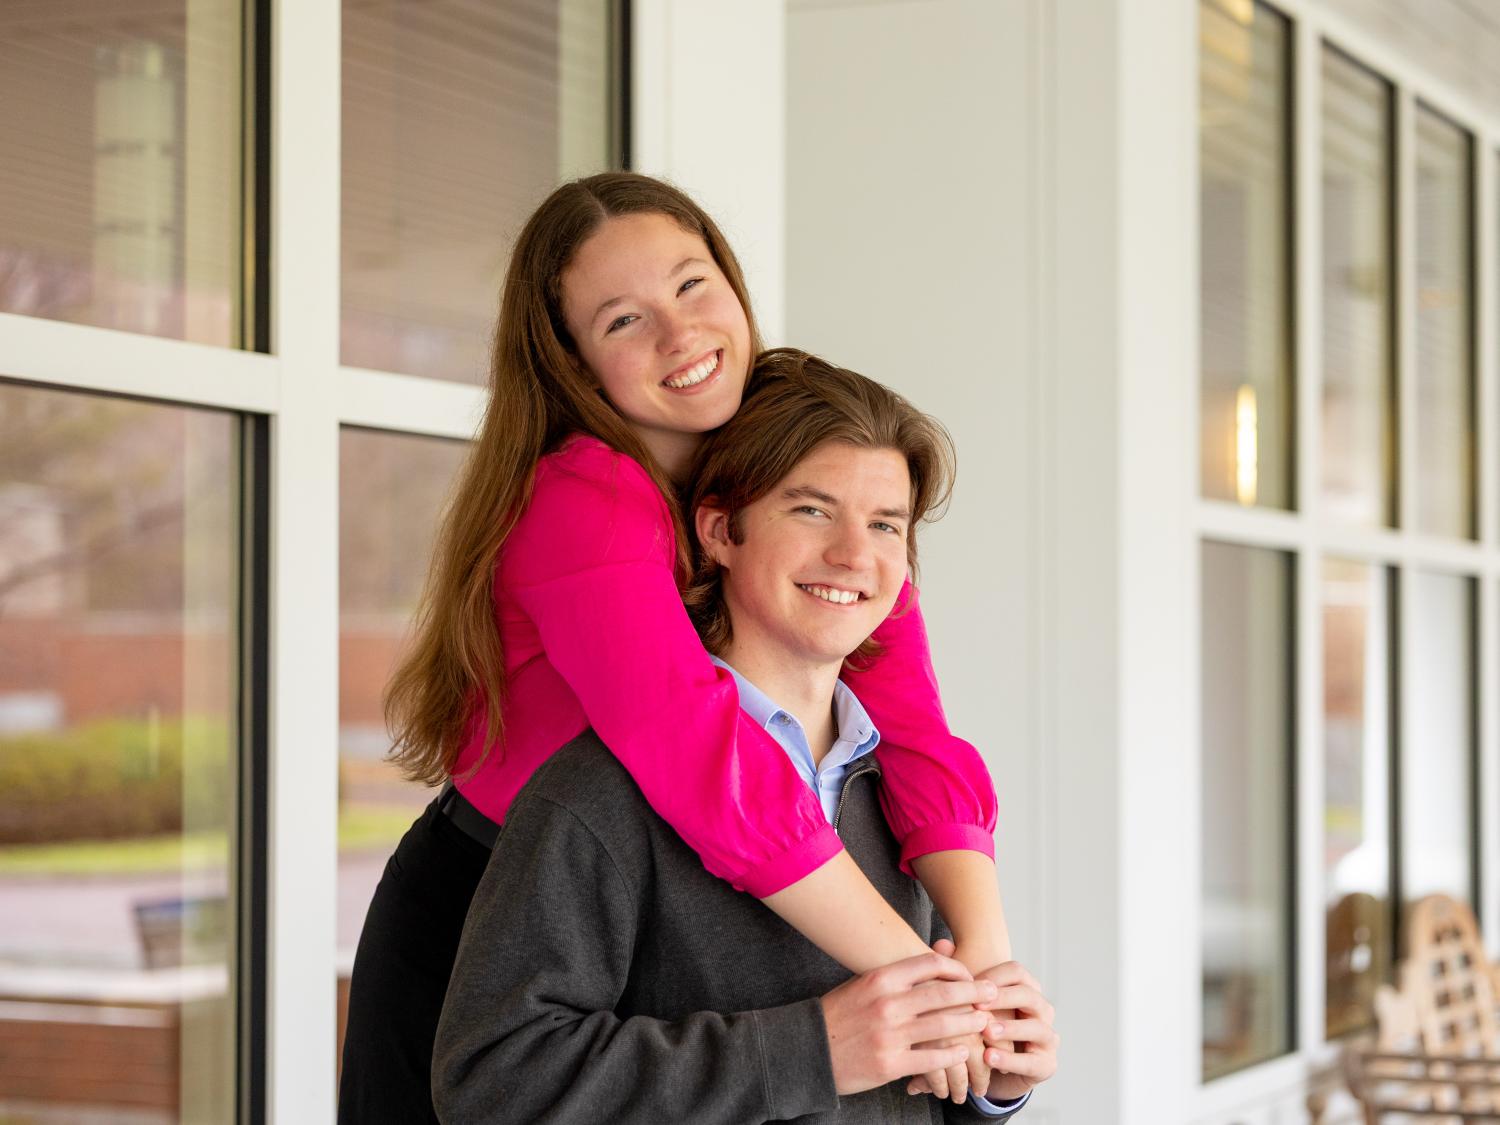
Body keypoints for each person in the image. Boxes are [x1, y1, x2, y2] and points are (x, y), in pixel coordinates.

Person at [339, 174, 1011, 1122]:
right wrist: (924, 987)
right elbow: (704, 756)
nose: (679, 333)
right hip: (494, 906)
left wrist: (982, 962)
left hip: (676, 893)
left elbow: (913, 727)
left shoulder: (796, 463)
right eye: (622, 320)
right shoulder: (584, 499)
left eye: (694, 285)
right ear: (570, 362)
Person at [432, 350, 1057, 1124]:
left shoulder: (902, 797)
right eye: (812, 510)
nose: (854, 555)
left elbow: (909, 1080)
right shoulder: (596, 793)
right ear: (722, 530)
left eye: (885, 524)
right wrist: (815, 1048)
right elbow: (494, 1083)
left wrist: (994, 1075)